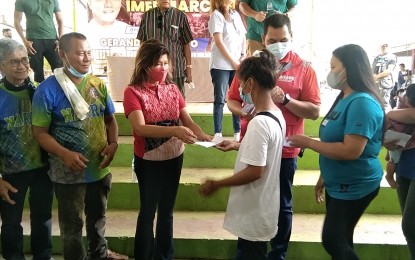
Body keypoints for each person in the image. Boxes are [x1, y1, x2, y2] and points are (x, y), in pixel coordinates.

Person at [227, 13, 320, 259]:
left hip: (285, 151)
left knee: (282, 206)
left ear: (292, 37)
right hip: (253, 145)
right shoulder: (251, 65)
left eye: (284, 39)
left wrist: (286, 100)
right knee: (252, 203)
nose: (278, 44)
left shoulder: (304, 68)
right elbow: (232, 99)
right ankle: (249, 248)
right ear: (263, 38)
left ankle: (277, 254)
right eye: (272, 39)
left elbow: (314, 111)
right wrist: (244, 112)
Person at [31, 32, 128, 260]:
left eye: (89, 52)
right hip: (68, 174)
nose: (86, 58)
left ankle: (100, 255)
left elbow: (110, 120)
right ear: (63, 55)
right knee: (72, 227)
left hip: (99, 167)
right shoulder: (47, 90)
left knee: (98, 217)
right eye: (80, 53)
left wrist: (113, 144)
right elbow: (39, 133)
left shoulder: (97, 84)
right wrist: (64, 154)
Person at [288, 44, 384, 260]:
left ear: (349, 69)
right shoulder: (344, 97)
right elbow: (334, 139)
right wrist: (324, 175)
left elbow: (351, 150)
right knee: (342, 240)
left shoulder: (362, 103)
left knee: (333, 240)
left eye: (334, 67)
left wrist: (308, 142)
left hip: (355, 184)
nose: (330, 72)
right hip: (337, 183)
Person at [123, 39, 211, 260]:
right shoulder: (132, 92)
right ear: (144, 66)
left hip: (174, 156)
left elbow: (187, 121)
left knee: (167, 212)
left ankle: (164, 256)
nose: (163, 68)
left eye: (166, 63)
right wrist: (174, 131)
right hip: (149, 160)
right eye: (158, 64)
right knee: (148, 212)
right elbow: (140, 128)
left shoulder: (173, 89)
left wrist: (205, 136)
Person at [199, 49, 286, 259]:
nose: (239, 88)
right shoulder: (276, 114)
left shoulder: (259, 123)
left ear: (251, 83)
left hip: (253, 210)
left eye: (241, 82)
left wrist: (217, 183)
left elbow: (256, 171)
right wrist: (239, 145)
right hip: (263, 208)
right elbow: (267, 149)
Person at [0, 38, 53, 260]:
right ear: (1, 65)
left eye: (24, 60)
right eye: (14, 62)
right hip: (10, 173)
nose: (22, 66)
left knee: (43, 218)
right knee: (11, 222)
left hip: (42, 169)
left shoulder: (39, 92)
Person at [137, 0, 194, 97]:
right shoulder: (147, 16)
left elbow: (186, 44)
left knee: (177, 103)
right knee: (153, 102)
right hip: (152, 70)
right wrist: (140, 65)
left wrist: (189, 68)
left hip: (176, 71)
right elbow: (143, 43)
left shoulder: (180, 16)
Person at [208, 0, 246, 140]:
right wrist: (233, 62)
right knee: (220, 99)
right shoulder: (216, 15)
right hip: (221, 65)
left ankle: (238, 132)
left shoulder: (235, 14)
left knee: (236, 98)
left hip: (237, 63)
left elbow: (243, 36)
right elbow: (218, 42)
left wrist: (242, 56)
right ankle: (218, 133)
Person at [385, 100, 415, 260]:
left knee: (410, 226)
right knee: (410, 224)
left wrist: (390, 113)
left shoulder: (397, 113)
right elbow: (391, 144)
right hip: (404, 166)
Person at [14, 0, 64, 83]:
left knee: (60, 71)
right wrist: (25, 41)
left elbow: (60, 20)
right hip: (33, 41)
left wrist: (61, 40)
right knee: (38, 72)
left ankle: (62, 94)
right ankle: (40, 94)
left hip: (53, 40)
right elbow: (16, 21)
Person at [372, 43, 397, 111]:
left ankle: (386, 119)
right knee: (375, 102)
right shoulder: (376, 58)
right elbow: (372, 69)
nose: (384, 47)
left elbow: (388, 71)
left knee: (384, 104)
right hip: (375, 84)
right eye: (382, 45)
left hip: (384, 84)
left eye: (386, 45)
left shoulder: (392, 57)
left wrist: (376, 77)